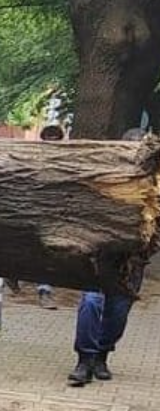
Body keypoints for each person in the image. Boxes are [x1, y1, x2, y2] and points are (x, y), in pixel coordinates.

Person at [68, 127, 146, 386]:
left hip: (132, 260)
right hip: (100, 256)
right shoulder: (104, 175)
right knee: (91, 302)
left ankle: (102, 355)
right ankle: (85, 360)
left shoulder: (153, 183)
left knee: (118, 311)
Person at [36, 124, 66, 309]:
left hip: (53, 212)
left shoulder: (65, 160)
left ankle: (45, 291)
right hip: (33, 209)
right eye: (49, 139)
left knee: (48, 251)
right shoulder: (35, 157)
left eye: (56, 139)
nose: (52, 143)